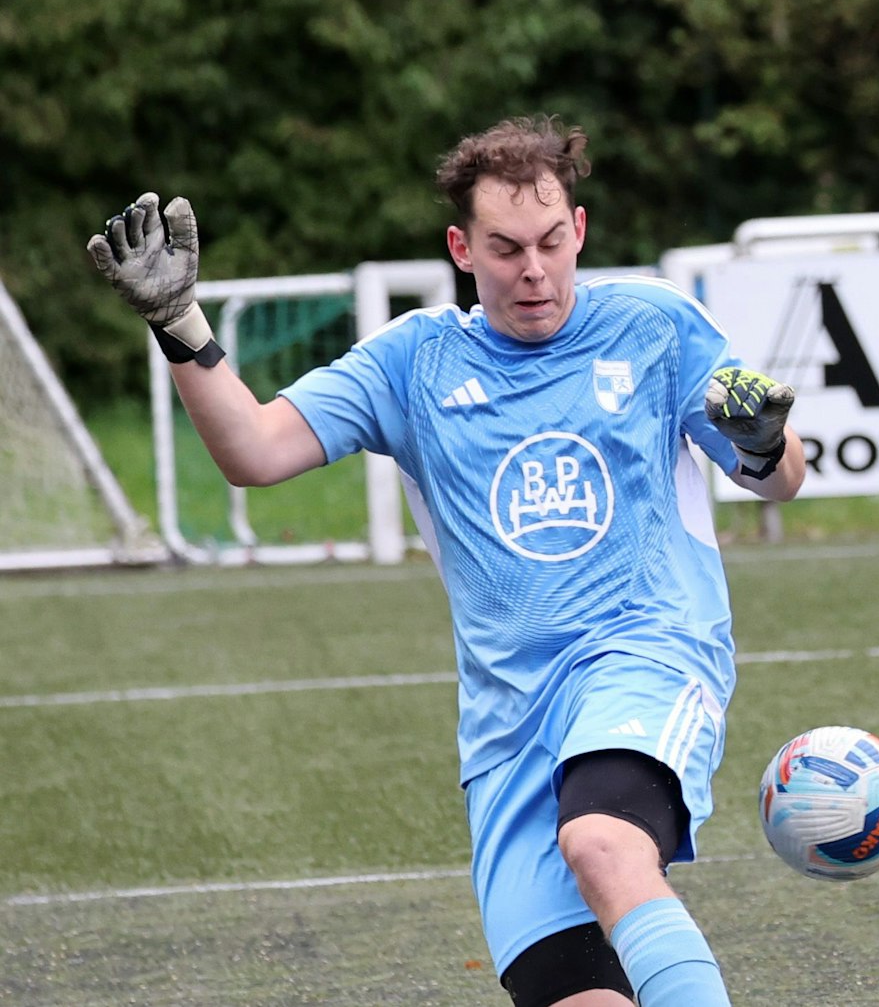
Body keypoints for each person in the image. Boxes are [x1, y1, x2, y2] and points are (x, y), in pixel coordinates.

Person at [86, 116, 805, 1007]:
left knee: (602, 842)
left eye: (550, 242)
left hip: (646, 655)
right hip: (508, 733)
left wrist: (768, 445)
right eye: (505, 249)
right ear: (462, 247)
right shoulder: (415, 361)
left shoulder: (653, 325)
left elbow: (778, 479)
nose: (533, 270)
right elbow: (256, 450)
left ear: (578, 230)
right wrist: (176, 319)